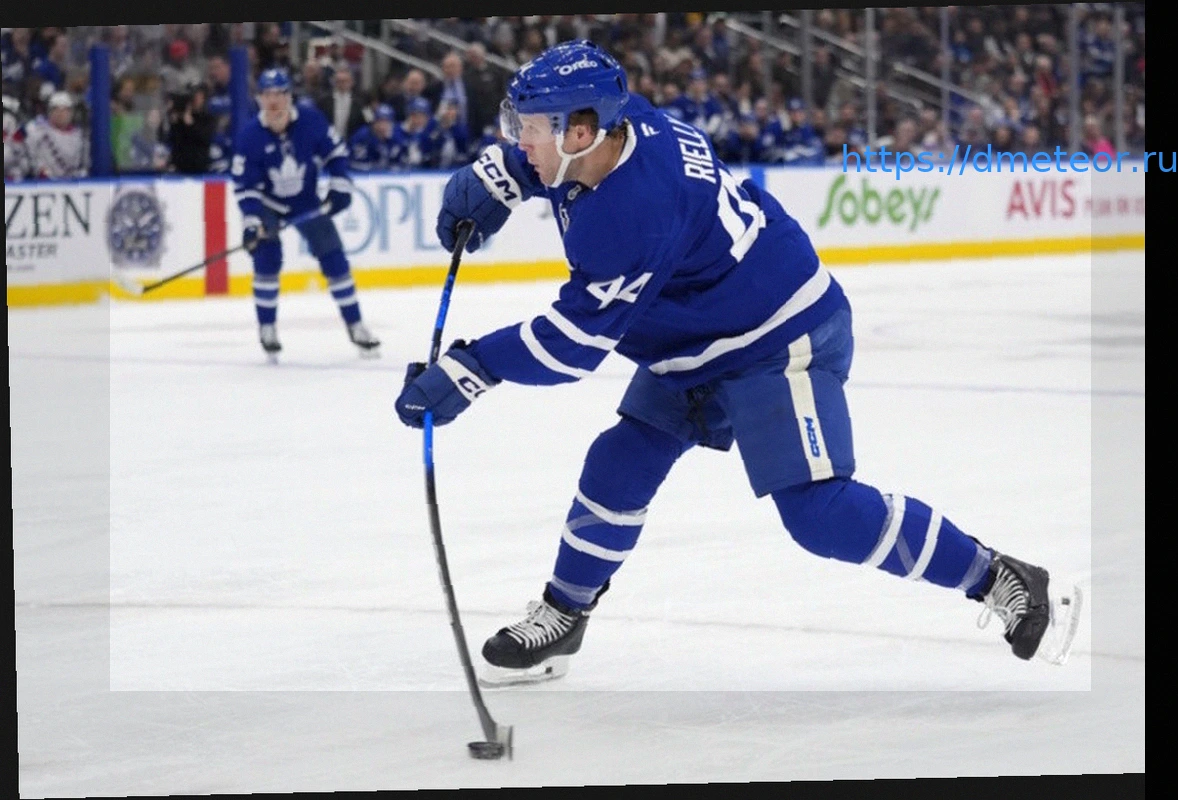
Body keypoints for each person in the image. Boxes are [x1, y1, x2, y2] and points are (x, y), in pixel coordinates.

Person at [393, 41, 1081, 685]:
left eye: (530, 130)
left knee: (818, 512)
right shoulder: (615, 128)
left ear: (581, 133)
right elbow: (545, 164)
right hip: (696, 335)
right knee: (618, 462)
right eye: (516, 126)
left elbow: (570, 343)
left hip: (778, 334)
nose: (519, 140)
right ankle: (565, 615)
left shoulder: (632, 214)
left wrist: (469, 369)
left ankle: (999, 576)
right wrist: (498, 176)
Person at [231, 68, 380, 359]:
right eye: (267, 95)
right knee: (267, 257)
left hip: (306, 202)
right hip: (268, 204)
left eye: (279, 94)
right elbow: (246, 187)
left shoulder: (311, 121)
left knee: (334, 258)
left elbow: (336, 154)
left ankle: (356, 325)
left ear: (289, 97)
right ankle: (267, 328)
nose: (273, 101)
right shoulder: (249, 136)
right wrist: (252, 222)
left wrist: (339, 186)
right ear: (259, 99)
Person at [347, 102, 406, 172]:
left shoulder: (396, 137)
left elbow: (399, 164)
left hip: (385, 175)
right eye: (380, 121)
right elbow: (355, 164)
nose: (382, 126)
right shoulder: (362, 136)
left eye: (386, 121)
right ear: (374, 122)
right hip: (362, 174)